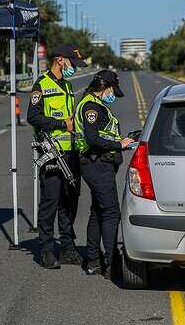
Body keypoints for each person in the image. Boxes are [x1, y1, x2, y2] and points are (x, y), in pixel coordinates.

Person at [28, 43, 86, 269]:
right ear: (60, 60)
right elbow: (33, 117)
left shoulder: (69, 86)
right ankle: (45, 250)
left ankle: (68, 249)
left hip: (71, 153)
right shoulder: (42, 85)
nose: (75, 68)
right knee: (50, 203)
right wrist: (62, 124)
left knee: (69, 203)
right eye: (73, 63)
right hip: (51, 153)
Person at [74, 70, 134, 279]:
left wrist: (120, 144)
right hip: (96, 163)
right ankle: (111, 263)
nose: (113, 95)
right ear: (104, 87)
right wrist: (119, 144)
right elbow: (92, 138)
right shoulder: (91, 107)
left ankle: (93, 261)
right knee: (111, 213)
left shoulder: (94, 104)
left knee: (98, 211)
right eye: (112, 90)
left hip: (96, 163)